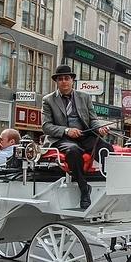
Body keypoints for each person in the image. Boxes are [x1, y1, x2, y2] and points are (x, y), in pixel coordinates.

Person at [42, 64, 113, 208]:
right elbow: (46, 126)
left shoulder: (84, 97)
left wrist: (99, 129)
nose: (64, 81)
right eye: (60, 79)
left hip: (85, 135)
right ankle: (84, 188)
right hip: (62, 139)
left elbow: (93, 120)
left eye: (67, 78)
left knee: (106, 148)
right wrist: (66, 131)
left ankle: (111, 182)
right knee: (73, 151)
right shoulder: (48, 100)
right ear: (57, 82)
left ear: (72, 80)